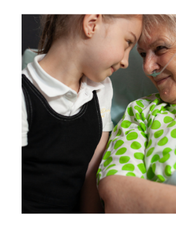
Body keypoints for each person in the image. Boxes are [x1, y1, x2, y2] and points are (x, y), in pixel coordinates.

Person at [96, 15, 176, 213]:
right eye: (143, 54)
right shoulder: (141, 113)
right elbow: (116, 191)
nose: (147, 68)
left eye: (160, 48)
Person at [21, 15, 142, 213]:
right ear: (91, 24)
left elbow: (92, 171)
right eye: (128, 42)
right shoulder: (19, 94)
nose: (126, 62)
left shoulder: (101, 89)